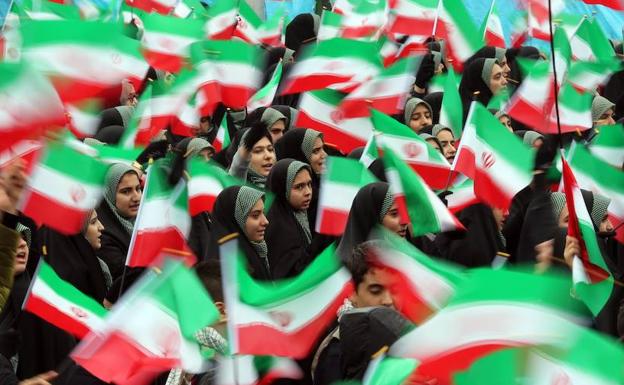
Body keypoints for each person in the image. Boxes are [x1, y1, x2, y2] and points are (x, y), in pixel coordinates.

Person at [311, 241, 395, 385]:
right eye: (376, 291)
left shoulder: (410, 336)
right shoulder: (336, 352)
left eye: (394, 289)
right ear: (352, 293)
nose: (388, 300)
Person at [335, 182, 408, 262]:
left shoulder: (404, 261)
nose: (405, 222)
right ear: (373, 219)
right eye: (394, 214)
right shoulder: (345, 269)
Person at [212, 186, 271, 280]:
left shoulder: (256, 249)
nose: (266, 221)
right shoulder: (226, 268)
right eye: (255, 215)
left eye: (263, 213)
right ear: (236, 219)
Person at [274, 128, 328, 230]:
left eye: (323, 148)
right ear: (298, 154)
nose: (324, 155)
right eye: (316, 151)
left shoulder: (323, 191)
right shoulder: (278, 212)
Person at [96, 163, 142, 280]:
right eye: (126, 191)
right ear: (109, 194)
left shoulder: (142, 219)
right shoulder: (101, 232)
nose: (136, 197)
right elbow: (125, 274)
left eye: (138, 189)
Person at [229, 123, 276, 190]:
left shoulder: (284, 186)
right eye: (258, 151)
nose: (268, 156)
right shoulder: (239, 191)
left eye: (270, 149)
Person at [459, 58, 507, 123]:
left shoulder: (501, 107)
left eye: (503, 76)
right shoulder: (472, 116)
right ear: (482, 83)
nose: (505, 81)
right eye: (497, 77)